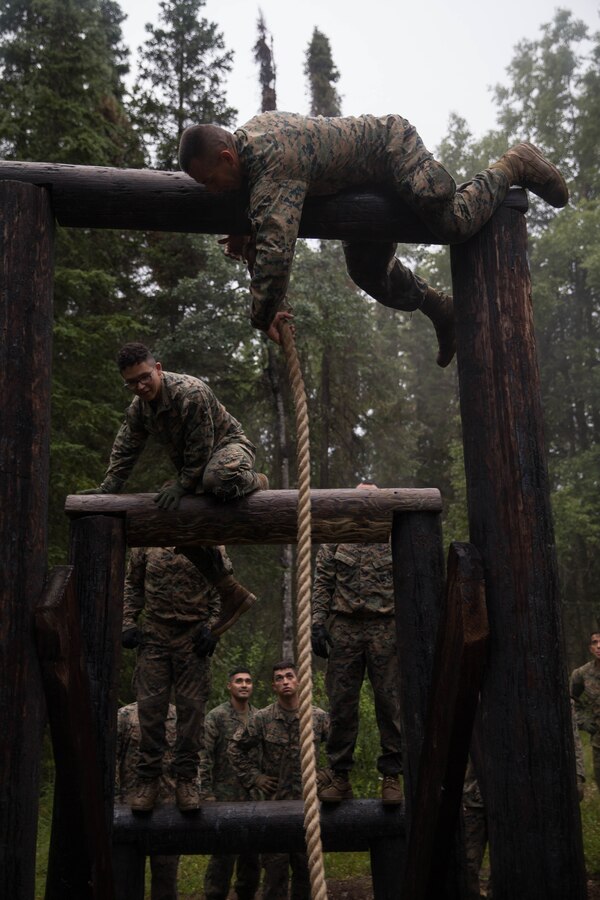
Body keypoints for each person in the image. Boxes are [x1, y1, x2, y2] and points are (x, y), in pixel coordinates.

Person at [178, 113, 568, 367]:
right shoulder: (249, 146)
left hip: (390, 147)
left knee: (453, 222)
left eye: (210, 181)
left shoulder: (272, 158)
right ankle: (442, 309)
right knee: (366, 271)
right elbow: (260, 201)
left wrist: (262, 317)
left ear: (228, 158)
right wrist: (245, 223)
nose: (212, 191)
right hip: (358, 183)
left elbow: (277, 251)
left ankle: (514, 162)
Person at [79, 341, 268, 632]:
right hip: (196, 470)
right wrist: (108, 488)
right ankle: (230, 591)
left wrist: (182, 484)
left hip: (229, 450)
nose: (141, 386)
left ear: (157, 369)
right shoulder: (139, 409)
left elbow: (202, 447)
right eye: (132, 382)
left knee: (216, 481)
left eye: (145, 377)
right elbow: (127, 446)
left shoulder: (189, 393)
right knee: (174, 518)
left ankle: (255, 481)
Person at [311, 482, 403, 804]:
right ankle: (340, 775)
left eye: (369, 499)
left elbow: (410, 580)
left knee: (390, 704)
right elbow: (323, 580)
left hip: (384, 628)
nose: (363, 503)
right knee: (341, 705)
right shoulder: (337, 535)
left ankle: (392, 775)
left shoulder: (393, 535)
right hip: (345, 627)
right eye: (358, 498)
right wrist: (317, 623)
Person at [122, 544, 226, 813]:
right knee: (150, 709)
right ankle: (147, 779)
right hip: (155, 633)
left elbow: (224, 589)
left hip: (193, 636)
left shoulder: (208, 540)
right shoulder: (147, 542)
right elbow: (132, 585)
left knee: (192, 711)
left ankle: (187, 779)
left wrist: (213, 629)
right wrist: (128, 622)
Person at [462, 701, 585, 900]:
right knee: (467, 863)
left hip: (519, 797)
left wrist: (578, 775)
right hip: (473, 794)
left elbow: (570, 732)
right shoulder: (472, 689)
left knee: (510, 866)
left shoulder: (542, 687)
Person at [228, 661, 329, 900]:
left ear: (298, 681)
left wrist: (328, 775)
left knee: (307, 876)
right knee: (274, 877)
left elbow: (342, 748)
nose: (285, 681)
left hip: (308, 811)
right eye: (279, 678)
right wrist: (255, 777)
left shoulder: (317, 717)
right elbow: (235, 748)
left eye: (289, 676)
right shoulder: (263, 719)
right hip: (274, 810)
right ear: (274, 686)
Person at [199, 667, 261, 900]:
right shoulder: (216, 716)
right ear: (230, 686)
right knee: (222, 858)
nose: (244, 685)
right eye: (239, 681)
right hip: (223, 798)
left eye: (248, 681)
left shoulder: (259, 717)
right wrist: (206, 794)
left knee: (251, 859)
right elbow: (204, 756)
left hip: (254, 799)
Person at [115, 701, 180, 899]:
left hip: (167, 806)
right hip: (130, 806)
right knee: (126, 872)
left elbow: (191, 758)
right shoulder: (126, 715)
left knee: (166, 874)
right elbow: (113, 758)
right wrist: (115, 799)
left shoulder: (179, 716)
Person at [571, 631, 600, 789]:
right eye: (595, 642)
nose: (599, 646)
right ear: (590, 648)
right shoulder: (582, 674)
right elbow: (571, 702)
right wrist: (584, 721)